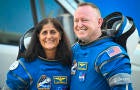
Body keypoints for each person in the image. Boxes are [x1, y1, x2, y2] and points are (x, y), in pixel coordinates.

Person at [70, 2, 133, 90]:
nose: (79, 25)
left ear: (99, 22)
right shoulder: (74, 49)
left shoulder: (113, 54)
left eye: (84, 20)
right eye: (76, 20)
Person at [5, 18, 72, 90]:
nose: (49, 36)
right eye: (44, 32)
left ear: (60, 35)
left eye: (53, 32)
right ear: (38, 37)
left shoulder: (69, 64)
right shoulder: (23, 67)